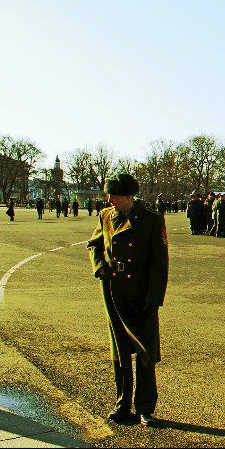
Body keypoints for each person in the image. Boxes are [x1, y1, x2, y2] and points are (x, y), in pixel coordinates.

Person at [86, 174, 169, 427]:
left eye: (113, 195)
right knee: (119, 350)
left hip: (141, 292)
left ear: (127, 196)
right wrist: (100, 267)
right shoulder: (106, 216)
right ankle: (122, 403)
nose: (109, 199)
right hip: (114, 290)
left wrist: (154, 298)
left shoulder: (152, 220)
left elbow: (160, 263)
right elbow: (94, 245)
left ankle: (145, 407)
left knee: (145, 351)